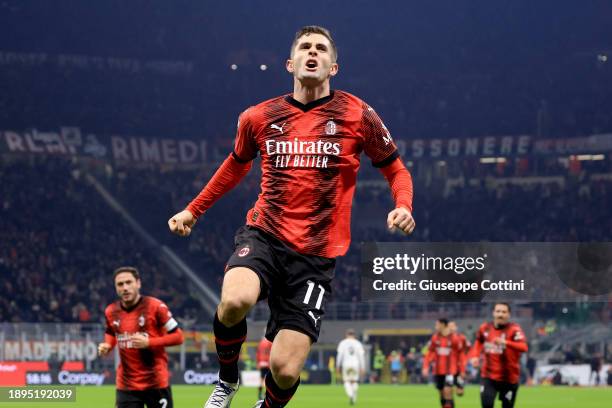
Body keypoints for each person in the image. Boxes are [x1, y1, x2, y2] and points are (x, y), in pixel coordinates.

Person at [167, 25, 415, 408]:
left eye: (321, 49)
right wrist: (193, 209)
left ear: (334, 66)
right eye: (304, 47)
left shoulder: (357, 114)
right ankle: (227, 380)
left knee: (284, 369)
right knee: (235, 301)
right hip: (264, 235)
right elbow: (235, 166)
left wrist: (403, 205)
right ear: (290, 63)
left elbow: (396, 169)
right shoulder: (259, 116)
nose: (312, 52)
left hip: (315, 257)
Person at [98, 266, 184, 408]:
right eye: (120, 284)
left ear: (138, 283)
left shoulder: (156, 306)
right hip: (126, 385)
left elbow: (178, 337)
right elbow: (111, 332)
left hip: (156, 383)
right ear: (115, 288)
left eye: (128, 282)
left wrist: (149, 342)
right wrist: (108, 345)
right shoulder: (111, 311)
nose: (125, 288)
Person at [469, 303, 528, 408]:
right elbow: (478, 342)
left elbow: (524, 347)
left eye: (504, 312)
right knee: (487, 405)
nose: (500, 314)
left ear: (509, 314)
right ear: (493, 313)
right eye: (498, 311)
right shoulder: (485, 328)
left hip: (509, 378)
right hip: (488, 376)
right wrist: (474, 356)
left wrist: (506, 342)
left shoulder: (514, 329)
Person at [422, 318, 461, 408]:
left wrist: (460, 370)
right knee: (442, 394)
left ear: (443, 325)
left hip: (450, 370)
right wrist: (426, 366)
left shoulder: (454, 338)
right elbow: (430, 352)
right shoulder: (435, 337)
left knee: (448, 391)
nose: (436, 327)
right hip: (438, 370)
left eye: (437, 324)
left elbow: (461, 354)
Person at [336, 329, 366, 405]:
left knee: (346, 381)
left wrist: (338, 365)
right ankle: (353, 396)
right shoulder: (358, 343)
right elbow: (361, 356)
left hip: (346, 364)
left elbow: (339, 355)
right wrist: (363, 367)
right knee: (354, 381)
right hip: (356, 364)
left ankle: (351, 395)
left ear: (346, 334)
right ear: (354, 335)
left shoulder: (343, 343)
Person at [448, 320, 470, 397]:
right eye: (449, 326)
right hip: (447, 369)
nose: (450, 328)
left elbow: (467, 350)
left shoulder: (462, 338)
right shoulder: (443, 338)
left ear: (456, 327)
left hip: (459, 367)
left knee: (460, 392)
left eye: (452, 326)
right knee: (448, 390)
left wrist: (463, 367)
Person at [256, 336, 273, 400]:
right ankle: (266, 394)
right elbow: (271, 352)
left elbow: (257, 354)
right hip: (268, 363)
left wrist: (258, 363)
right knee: (268, 379)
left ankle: (260, 393)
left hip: (261, 363)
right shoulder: (270, 342)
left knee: (261, 379)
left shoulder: (261, 343)